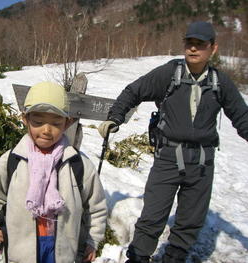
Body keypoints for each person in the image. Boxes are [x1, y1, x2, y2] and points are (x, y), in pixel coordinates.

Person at [98, 21, 248, 263]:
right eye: (190, 43)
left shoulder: (220, 82)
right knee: (153, 214)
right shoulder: (170, 73)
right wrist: (115, 118)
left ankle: (174, 257)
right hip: (168, 156)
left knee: (191, 219)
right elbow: (134, 91)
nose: (193, 49)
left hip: (202, 161)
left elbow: (242, 117)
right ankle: (138, 257)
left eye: (200, 44)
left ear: (213, 48)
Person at [0, 81, 107, 263]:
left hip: (62, 252)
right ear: (25, 119)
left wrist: (92, 240)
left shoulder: (78, 164)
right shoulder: (12, 160)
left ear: (67, 123)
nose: (46, 130)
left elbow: (96, 207)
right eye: (38, 122)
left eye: (56, 123)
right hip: (21, 252)